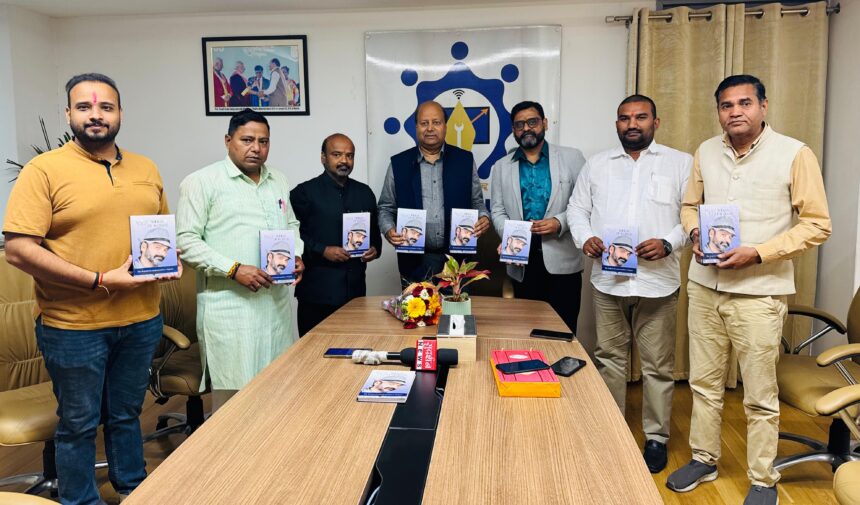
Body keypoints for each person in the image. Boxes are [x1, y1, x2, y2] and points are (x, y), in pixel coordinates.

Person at [3, 72, 177, 504]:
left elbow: (159, 233)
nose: (96, 115)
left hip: (141, 320)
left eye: (105, 107)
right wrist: (99, 281)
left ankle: (133, 488)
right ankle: (81, 500)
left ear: (120, 113)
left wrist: (165, 264)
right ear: (68, 114)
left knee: (126, 414)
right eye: (84, 107)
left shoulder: (146, 168)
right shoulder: (44, 170)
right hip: (74, 326)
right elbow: (19, 250)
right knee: (79, 423)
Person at [666, 75, 831, 505]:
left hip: (759, 292)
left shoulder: (794, 153)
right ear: (718, 111)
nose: (735, 112)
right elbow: (689, 206)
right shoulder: (706, 151)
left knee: (759, 395)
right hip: (705, 285)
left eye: (744, 103)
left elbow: (817, 224)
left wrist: (758, 253)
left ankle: (762, 479)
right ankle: (704, 459)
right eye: (726, 105)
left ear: (763, 106)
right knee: (704, 384)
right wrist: (695, 233)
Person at [567, 94, 692, 473]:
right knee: (610, 359)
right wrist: (585, 238)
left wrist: (668, 242)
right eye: (625, 118)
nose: (632, 124)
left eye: (641, 117)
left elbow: (692, 215)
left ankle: (656, 438)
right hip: (608, 282)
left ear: (656, 122)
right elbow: (577, 209)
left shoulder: (680, 163)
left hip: (658, 283)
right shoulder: (597, 164)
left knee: (658, 365)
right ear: (617, 124)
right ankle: (612, 430)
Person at [177, 108, 304, 411]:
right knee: (234, 404)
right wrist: (233, 269)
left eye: (263, 141)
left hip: (275, 308)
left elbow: (291, 223)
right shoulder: (201, 182)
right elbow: (186, 241)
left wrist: (296, 253)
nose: (256, 148)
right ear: (228, 141)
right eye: (247, 140)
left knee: (279, 391)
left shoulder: (278, 180)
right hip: (231, 311)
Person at [490, 100, 586, 333]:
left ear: (544, 123)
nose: (526, 128)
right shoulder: (501, 166)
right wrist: (510, 236)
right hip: (521, 261)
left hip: (562, 261)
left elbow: (584, 204)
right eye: (519, 124)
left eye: (532, 122)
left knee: (563, 330)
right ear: (513, 130)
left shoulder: (572, 158)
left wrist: (559, 222)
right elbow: (498, 210)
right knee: (527, 330)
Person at [378, 100, 490, 286]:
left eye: (436, 122)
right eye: (424, 123)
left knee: (455, 306)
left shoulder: (465, 161)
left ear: (445, 126)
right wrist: (389, 229)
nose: (430, 128)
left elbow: (477, 202)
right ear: (416, 127)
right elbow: (385, 207)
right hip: (413, 262)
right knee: (416, 306)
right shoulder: (399, 164)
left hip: (456, 263)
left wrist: (484, 217)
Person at [290, 133, 381, 336]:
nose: (344, 161)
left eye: (349, 155)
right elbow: (291, 235)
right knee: (314, 351)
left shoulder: (365, 193)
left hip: (355, 295)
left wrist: (374, 250)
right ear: (323, 157)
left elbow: (375, 236)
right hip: (316, 296)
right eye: (337, 154)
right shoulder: (303, 193)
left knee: (354, 349)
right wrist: (322, 250)